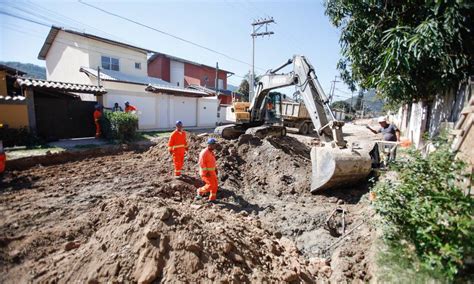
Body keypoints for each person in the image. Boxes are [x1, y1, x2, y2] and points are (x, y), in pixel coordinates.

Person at [196, 138, 219, 202]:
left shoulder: (211, 152)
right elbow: (201, 163)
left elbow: (212, 162)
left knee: (215, 185)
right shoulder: (204, 152)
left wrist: (215, 168)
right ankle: (200, 191)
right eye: (214, 144)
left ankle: (212, 199)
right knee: (211, 185)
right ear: (210, 145)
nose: (215, 146)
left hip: (212, 172)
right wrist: (206, 172)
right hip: (206, 173)